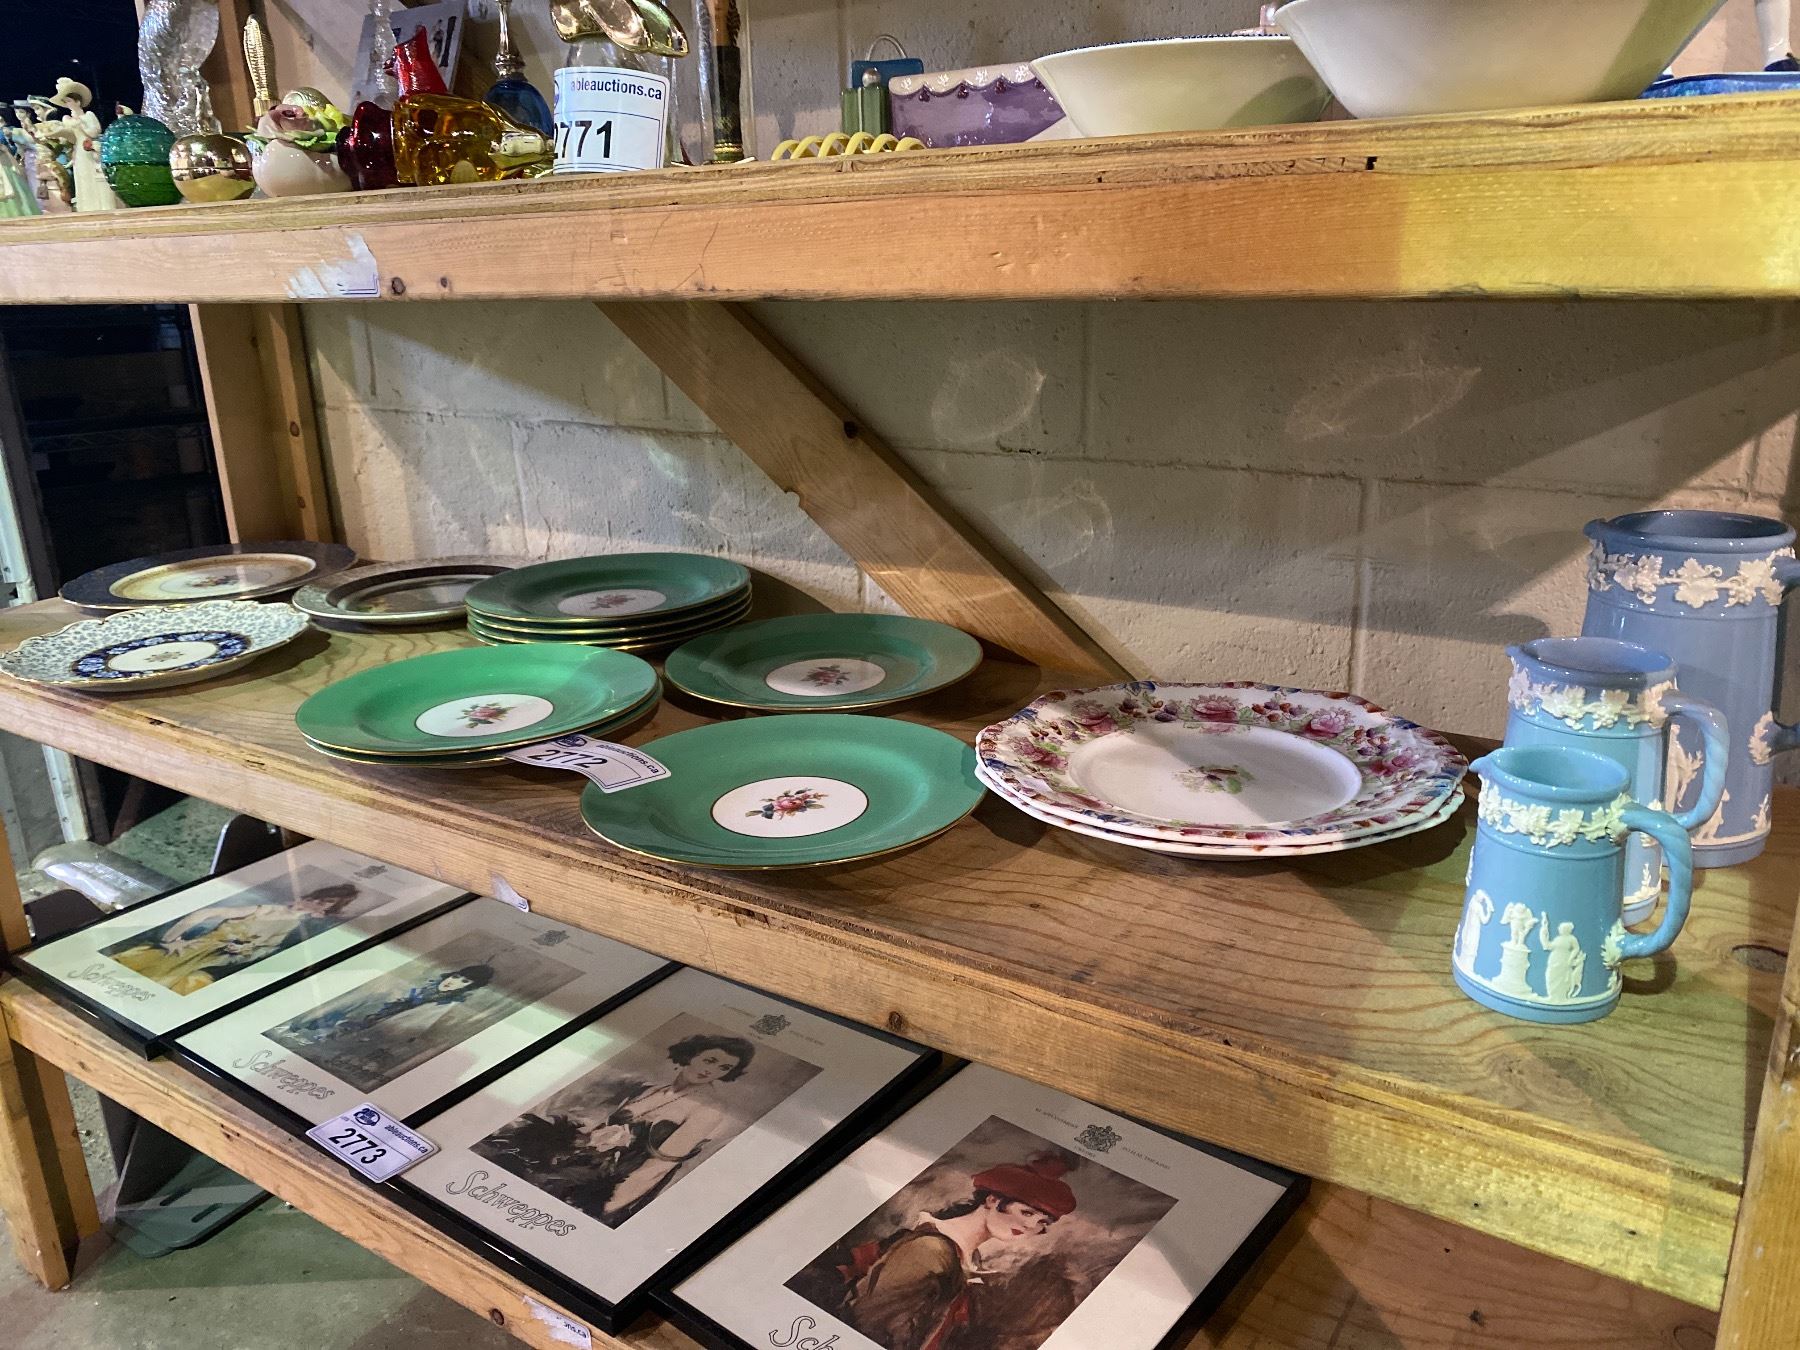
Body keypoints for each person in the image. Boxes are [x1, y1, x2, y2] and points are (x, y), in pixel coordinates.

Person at [794, 1153, 1079, 1350]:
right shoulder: (931, 1250)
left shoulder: (963, 1259)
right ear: (993, 1200)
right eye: (1026, 1212)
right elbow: (873, 1325)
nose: (1030, 1226)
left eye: (1042, 1222)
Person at [475, 1032, 754, 1226]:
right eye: (709, 1060)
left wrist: (601, 1207)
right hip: (579, 1163)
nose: (711, 1070)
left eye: (723, 1067)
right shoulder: (651, 1089)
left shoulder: (709, 1109)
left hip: (612, 1183)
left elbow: (657, 1168)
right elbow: (596, 1131)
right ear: (692, 1055)